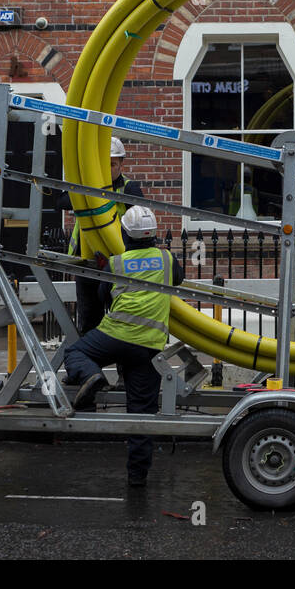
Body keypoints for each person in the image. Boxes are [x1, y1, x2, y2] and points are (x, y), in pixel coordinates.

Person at [64, 205, 184, 487]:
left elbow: (103, 295)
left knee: (76, 352)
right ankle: (137, 477)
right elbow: (177, 280)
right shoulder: (167, 260)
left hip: (114, 336)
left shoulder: (117, 263)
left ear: (126, 234)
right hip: (149, 346)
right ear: (153, 235)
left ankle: (92, 376)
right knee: (141, 413)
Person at [63, 136, 143, 338]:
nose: (108, 169)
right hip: (88, 263)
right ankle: (91, 366)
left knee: (123, 320)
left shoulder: (129, 188)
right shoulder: (85, 187)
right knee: (90, 321)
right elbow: (61, 202)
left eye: (113, 164)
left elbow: (141, 221)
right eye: (103, 164)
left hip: (119, 264)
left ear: (121, 164)